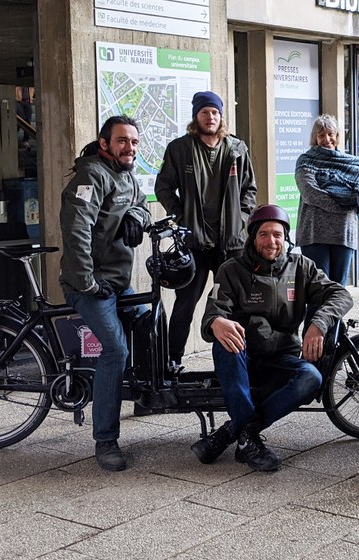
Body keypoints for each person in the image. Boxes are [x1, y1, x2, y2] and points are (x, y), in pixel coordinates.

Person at [190, 205, 353, 472]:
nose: (271, 241)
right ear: (253, 237)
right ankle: (248, 441)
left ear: (286, 237)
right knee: (225, 342)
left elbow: (341, 295)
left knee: (312, 377)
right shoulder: (231, 269)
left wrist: (318, 324)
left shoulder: (301, 267)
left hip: (283, 357)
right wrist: (215, 322)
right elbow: (213, 310)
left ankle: (236, 433)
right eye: (264, 234)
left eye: (277, 235)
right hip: (243, 357)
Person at [59, 115, 152, 472]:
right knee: (115, 349)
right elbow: (76, 228)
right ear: (104, 143)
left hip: (116, 280)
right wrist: (86, 282)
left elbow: (143, 204)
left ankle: (145, 396)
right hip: (91, 284)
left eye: (134, 142)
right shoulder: (92, 175)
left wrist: (137, 218)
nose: (129, 148)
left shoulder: (125, 175)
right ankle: (105, 440)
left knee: (149, 321)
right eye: (122, 141)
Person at [155, 91, 257, 368]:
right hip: (195, 243)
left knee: (236, 306)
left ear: (221, 115)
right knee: (185, 305)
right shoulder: (180, 149)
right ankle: (172, 362)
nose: (210, 117)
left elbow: (249, 189)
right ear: (196, 116)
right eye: (204, 112)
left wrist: (242, 217)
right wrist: (180, 215)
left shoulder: (237, 148)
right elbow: (163, 187)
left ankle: (239, 362)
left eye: (214, 112)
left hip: (231, 242)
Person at [295, 114, 359, 286]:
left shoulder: (354, 164)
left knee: (338, 289)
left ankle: (334, 316)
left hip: (344, 233)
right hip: (314, 233)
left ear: (337, 136)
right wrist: (344, 204)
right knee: (318, 288)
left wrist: (332, 190)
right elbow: (311, 194)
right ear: (315, 138)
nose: (327, 139)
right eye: (321, 135)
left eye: (330, 134)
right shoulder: (305, 161)